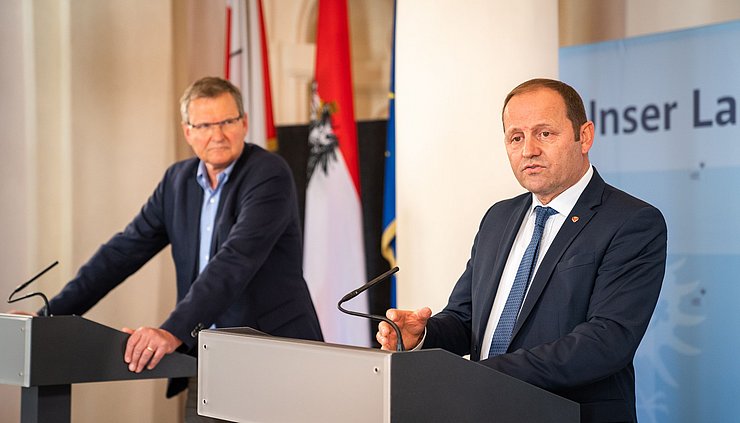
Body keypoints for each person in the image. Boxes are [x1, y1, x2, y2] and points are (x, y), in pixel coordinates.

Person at [30, 77, 323, 421]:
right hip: (207, 358)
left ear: (244, 123)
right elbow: (123, 251)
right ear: (188, 132)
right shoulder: (177, 182)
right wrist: (49, 317)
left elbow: (235, 260)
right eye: (205, 125)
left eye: (228, 122)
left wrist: (170, 330)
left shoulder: (268, 174)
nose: (218, 135)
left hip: (274, 354)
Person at [376, 78, 667, 423]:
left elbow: (606, 341)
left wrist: (484, 374)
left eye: (545, 133)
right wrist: (422, 335)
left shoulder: (631, 221)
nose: (529, 149)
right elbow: (465, 318)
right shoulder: (499, 217)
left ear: (584, 136)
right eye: (516, 137)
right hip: (484, 410)